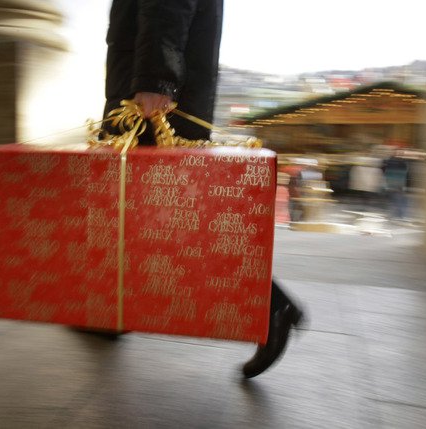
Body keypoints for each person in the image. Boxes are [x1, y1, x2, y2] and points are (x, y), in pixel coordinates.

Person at [102, 0, 305, 378]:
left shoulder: (154, 92)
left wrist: (155, 80)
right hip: (154, 97)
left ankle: (270, 306)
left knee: (162, 220)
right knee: (142, 217)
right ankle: (109, 311)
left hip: (152, 106)